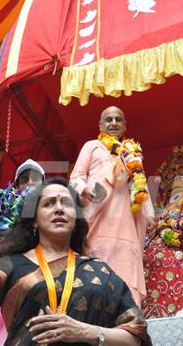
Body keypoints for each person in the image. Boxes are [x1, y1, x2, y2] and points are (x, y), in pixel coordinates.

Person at [0, 178, 151, 346]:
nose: (58, 208)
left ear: (76, 220)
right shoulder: (10, 265)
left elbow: (135, 335)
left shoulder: (100, 271)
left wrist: (85, 332)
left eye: (66, 203)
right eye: (48, 203)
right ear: (34, 220)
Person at [70, 106, 153, 305]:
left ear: (125, 126)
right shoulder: (92, 146)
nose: (113, 123)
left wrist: (149, 214)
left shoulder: (132, 152)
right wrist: (85, 190)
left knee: (128, 273)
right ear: (100, 124)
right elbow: (76, 177)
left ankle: (128, 325)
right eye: (108, 119)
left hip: (127, 225)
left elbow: (141, 186)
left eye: (118, 119)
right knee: (98, 273)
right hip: (98, 218)